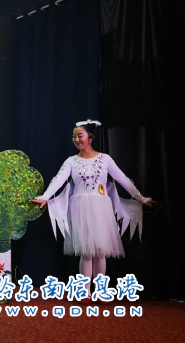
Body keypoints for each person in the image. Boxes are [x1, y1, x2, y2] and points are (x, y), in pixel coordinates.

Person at [30, 119, 155, 304]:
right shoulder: (71, 161)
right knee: (87, 252)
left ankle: (101, 291)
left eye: (80, 135)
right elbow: (59, 179)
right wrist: (45, 197)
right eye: (74, 136)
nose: (76, 139)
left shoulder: (105, 159)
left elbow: (122, 179)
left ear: (90, 137)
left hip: (101, 207)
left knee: (100, 251)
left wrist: (141, 198)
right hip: (81, 208)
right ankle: (85, 292)